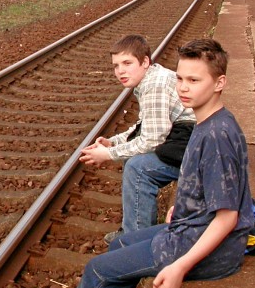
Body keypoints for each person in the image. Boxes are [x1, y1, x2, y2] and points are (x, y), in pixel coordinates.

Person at [32, 38, 255, 288]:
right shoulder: (207, 121)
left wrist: (179, 266)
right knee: (119, 246)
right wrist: (178, 208)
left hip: (204, 247)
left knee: (98, 271)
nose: (183, 87)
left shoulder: (217, 136)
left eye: (194, 81)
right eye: (180, 78)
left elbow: (227, 217)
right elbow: (200, 184)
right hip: (188, 227)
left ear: (220, 82)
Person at [79, 35, 195, 243]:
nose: (120, 71)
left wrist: (107, 154)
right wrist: (114, 142)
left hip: (194, 146)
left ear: (145, 62)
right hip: (185, 140)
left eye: (127, 63)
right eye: (116, 66)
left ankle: (138, 240)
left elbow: (152, 139)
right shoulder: (151, 78)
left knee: (138, 167)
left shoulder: (154, 86)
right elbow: (144, 125)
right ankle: (131, 229)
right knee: (132, 158)